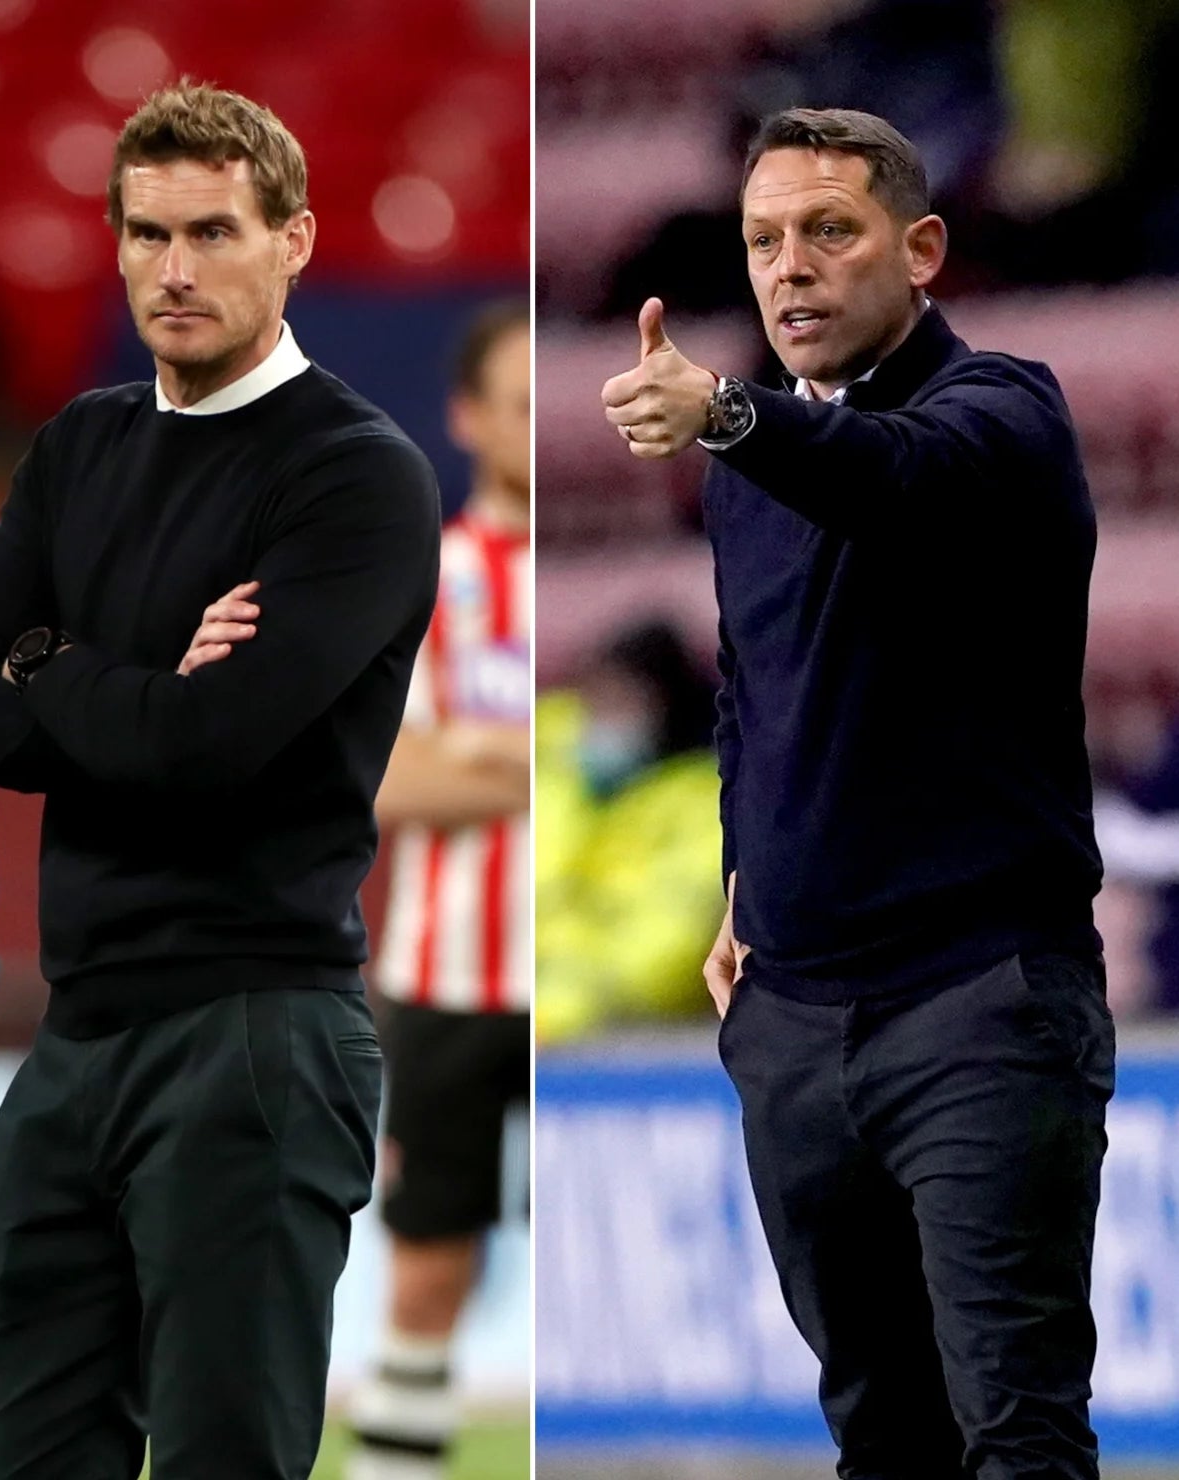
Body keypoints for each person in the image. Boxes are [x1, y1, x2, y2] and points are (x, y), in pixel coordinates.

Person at [0, 80, 441, 1480]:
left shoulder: (355, 475)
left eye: (212, 231)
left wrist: (52, 662)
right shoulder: (82, 443)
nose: (174, 268)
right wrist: (136, 674)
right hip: (76, 1043)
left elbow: (213, 750)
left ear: (296, 241)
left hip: (256, 1032)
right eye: (146, 234)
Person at [601, 106, 1110, 1477]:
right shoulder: (750, 471)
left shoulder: (1003, 414)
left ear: (920, 248)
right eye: (765, 239)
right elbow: (749, 693)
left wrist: (722, 410)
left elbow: (896, 479)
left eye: (830, 230)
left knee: (1015, 1427)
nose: (790, 267)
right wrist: (735, 878)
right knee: (880, 1434)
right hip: (795, 1018)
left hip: (977, 1003)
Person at [344, 300, 530, 1480]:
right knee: (427, 1261)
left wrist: (480, 752)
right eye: (513, 404)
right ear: (464, 418)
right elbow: (389, 781)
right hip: (444, 971)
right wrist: (534, 758)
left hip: (592, 984)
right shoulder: (423, 579)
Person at [532, 619, 724, 1045]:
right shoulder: (549, 760)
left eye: (623, 703)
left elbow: (667, 950)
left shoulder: (703, 803)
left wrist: (555, 1009)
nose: (602, 719)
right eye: (596, 699)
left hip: (633, 1038)